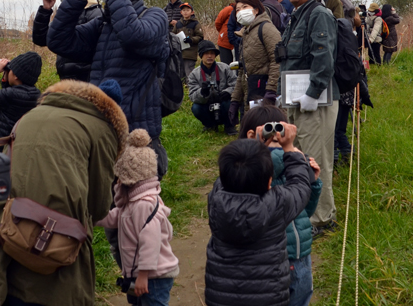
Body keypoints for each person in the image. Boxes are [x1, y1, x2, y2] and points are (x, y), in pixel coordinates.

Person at [0, 78, 128, 306]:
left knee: (19, 287)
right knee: (58, 290)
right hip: (58, 249)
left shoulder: (29, 116)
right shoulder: (102, 128)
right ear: (112, 112)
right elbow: (99, 204)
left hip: (10, 231)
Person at [46, 0, 170, 177]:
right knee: (103, 209)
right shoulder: (104, 25)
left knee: (137, 209)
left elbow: (134, 34)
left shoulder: (154, 16)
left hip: (137, 136)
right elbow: (58, 41)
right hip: (101, 132)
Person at [204, 124, 313, 306]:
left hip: (222, 298)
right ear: (270, 182)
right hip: (269, 298)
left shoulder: (216, 200)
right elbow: (301, 186)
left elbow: (223, 180)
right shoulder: (276, 204)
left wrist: (255, 148)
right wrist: (289, 149)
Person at [238, 107, 322, 306]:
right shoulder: (245, 169)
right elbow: (271, 166)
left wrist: (313, 183)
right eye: (273, 141)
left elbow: (304, 211)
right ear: (252, 136)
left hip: (301, 255)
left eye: (282, 139)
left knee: (301, 298)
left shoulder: (292, 167)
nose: (279, 148)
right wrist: (290, 153)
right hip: (274, 259)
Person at [278, 0, 338, 235]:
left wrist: (313, 93)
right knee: (300, 156)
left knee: (317, 158)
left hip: (316, 101)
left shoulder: (319, 14)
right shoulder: (294, 16)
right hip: (295, 99)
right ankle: (307, 210)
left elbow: (323, 57)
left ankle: (323, 218)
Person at [95, 128, 179, 306]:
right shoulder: (132, 203)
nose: (116, 181)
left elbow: (151, 242)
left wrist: (143, 276)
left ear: (129, 179)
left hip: (153, 277)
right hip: (142, 274)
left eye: (119, 177)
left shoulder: (143, 205)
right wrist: (90, 218)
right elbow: (115, 217)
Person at [32, 0, 103, 81]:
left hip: (87, 79)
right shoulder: (64, 15)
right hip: (66, 78)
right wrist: (45, 11)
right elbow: (41, 39)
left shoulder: (94, 12)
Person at [0, 51, 42, 152]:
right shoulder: (37, 94)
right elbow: (16, 92)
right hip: (24, 147)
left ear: (16, 75)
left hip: (4, 146)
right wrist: (6, 78)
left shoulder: (10, 96)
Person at [229, 0, 281, 126]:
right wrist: (235, 100)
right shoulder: (246, 33)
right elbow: (243, 71)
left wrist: (271, 91)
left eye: (245, 7)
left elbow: (278, 60)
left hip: (264, 91)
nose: (241, 11)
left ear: (256, 10)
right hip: (251, 91)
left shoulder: (266, 29)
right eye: (237, 10)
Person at [187, 40, 238, 134]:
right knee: (196, 108)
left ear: (215, 55)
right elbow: (192, 96)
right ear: (201, 55)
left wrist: (228, 92)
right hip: (206, 104)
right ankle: (210, 125)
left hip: (223, 102)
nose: (209, 56)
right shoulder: (194, 74)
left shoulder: (225, 68)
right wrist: (202, 92)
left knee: (231, 102)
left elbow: (235, 84)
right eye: (206, 53)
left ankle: (229, 126)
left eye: (212, 53)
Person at [175, 3, 203, 78]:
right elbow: (172, 35)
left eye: (188, 10)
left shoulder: (195, 23)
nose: (185, 12)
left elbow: (200, 37)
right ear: (181, 12)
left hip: (190, 54)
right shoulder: (178, 24)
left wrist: (191, 40)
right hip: (179, 53)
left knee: (190, 75)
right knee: (179, 76)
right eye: (183, 10)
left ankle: (191, 89)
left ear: (192, 12)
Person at [213, 0, 236, 64]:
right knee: (226, 65)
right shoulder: (229, 9)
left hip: (236, 43)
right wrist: (223, 32)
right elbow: (218, 22)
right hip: (224, 42)